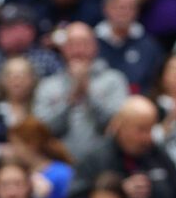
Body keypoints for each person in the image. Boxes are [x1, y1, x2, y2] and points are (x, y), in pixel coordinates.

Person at [32, 22, 129, 163]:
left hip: (104, 163)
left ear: (95, 47)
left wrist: (88, 94)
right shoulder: (48, 85)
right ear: (63, 48)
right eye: (72, 44)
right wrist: (70, 100)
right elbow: (42, 131)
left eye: (84, 43)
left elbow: (117, 124)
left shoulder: (113, 80)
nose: (78, 50)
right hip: (59, 164)